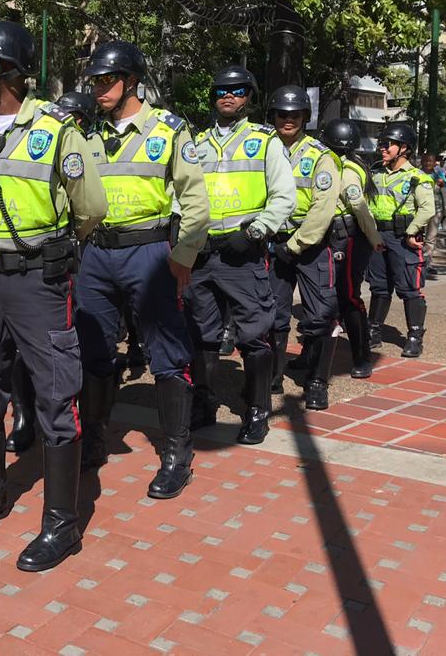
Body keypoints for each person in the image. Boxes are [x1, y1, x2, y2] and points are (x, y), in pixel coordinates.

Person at [0, 21, 106, 572]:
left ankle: (61, 524)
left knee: (57, 397)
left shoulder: (59, 131)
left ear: (7, 69)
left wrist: (56, 251)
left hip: (39, 281)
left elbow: (91, 208)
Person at [76, 41, 209, 497]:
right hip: (96, 255)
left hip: (149, 253)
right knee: (92, 349)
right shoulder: (90, 134)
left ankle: (176, 453)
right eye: (95, 81)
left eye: (107, 80)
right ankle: (93, 437)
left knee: (167, 354)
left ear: (132, 81)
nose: (98, 88)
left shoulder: (169, 130)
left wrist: (183, 256)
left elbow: (195, 200)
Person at [185, 66, 296, 443]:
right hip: (202, 252)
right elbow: (181, 195)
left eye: (237, 90)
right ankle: (203, 400)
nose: (228, 96)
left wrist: (255, 232)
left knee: (254, 334)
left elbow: (285, 196)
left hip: (242, 253)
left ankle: (257, 408)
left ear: (248, 96)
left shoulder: (264, 140)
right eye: (221, 90)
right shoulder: (196, 143)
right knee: (201, 334)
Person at [265, 86, 341, 410]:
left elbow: (322, 210)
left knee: (320, 315)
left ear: (305, 118)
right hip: (274, 242)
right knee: (271, 316)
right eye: (282, 114)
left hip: (309, 245)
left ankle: (316, 383)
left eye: (294, 115)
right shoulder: (263, 151)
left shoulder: (321, 156)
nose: (288, 120)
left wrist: (295, 245)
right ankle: (271, 377)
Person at [321, 119, 385, 379]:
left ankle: (362, 356)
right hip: (332, 236)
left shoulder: (346, 169)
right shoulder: (346, 164)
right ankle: (314, 355)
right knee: (323, 300)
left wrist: (373, 237)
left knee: (348, 296)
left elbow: (358, 205)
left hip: (346, 238)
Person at [367, 123, 435, 358]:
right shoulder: (375, 172)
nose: (382, 149)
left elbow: (427, 210)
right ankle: (373, 331)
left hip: (403, 238)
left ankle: (415, 336)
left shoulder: (418, 178)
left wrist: (411, 232)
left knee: (409, 288)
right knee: (379, 286)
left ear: (404, 148)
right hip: (378, 237)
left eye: (387, 144)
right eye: (381, 144)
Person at [420, 153, 445, 279]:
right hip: (420, 209)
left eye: (431, 161)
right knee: (418, 236)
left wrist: (442, 183)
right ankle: (418, 260)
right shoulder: (417, 173)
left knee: (431, 237)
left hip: (436, 208)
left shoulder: (438, 174)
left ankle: (428, 261)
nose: (428, 163)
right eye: (426, 160)